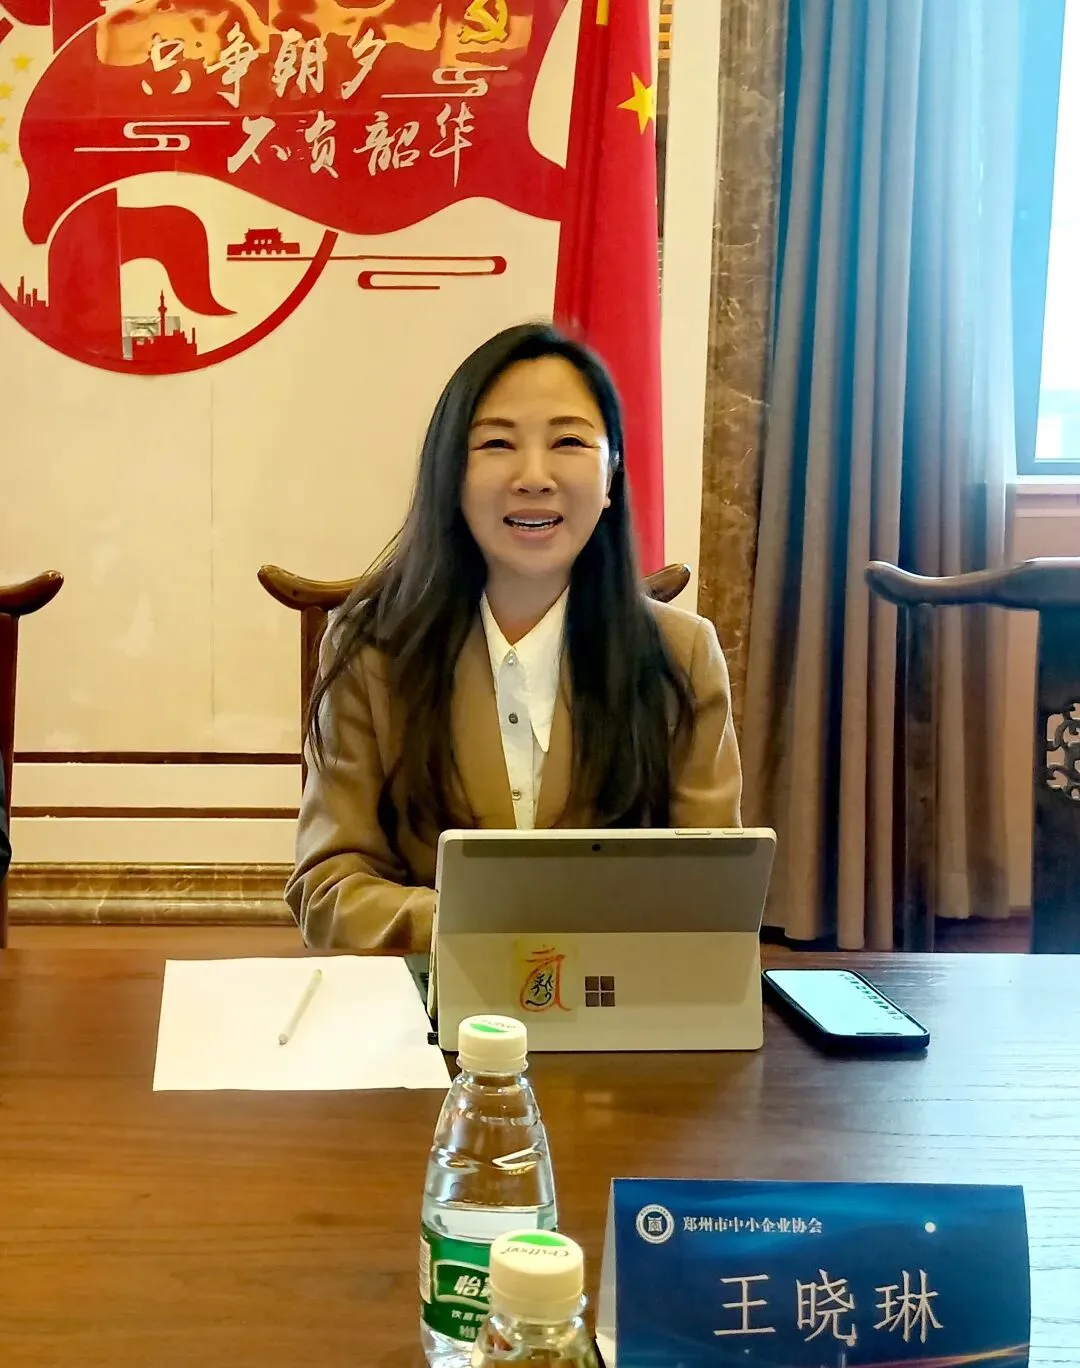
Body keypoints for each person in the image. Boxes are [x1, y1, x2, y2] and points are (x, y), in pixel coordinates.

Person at [285, 323, 742, 952]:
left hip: (619, 999)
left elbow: (712, 892)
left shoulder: (680, 654)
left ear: (612, 474)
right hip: (430, 998)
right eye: (497, 443)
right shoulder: (371, 648)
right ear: (452, 473)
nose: (534, 476)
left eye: (569, 441)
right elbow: (331, 888)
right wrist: (487, 926)